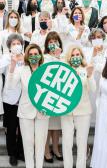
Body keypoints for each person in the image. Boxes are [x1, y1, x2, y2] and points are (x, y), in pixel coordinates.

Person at [7, 44, 48, 168]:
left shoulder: (47, 70)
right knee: (28, 143)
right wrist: (12, 66)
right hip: (25, 112)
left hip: (43, 112)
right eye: (31, 54)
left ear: (40, 55)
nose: (34, 56)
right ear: (27, 56)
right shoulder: (22, 70)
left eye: (36, 54)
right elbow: (10, 86)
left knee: (40, 144)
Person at [61, 45, 96, 168]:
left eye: (77, 55)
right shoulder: (64, 70)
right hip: (66, 111)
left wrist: (90, 75)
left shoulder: (86, 69)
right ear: (69, 57)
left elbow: (93, 89)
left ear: (81, 56)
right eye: (73, 55)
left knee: (82, 142)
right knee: (67, 142)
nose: (76, 57)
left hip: (83, 111)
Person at [0, 34, 25, 166]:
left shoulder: (26, 57)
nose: (17, 46)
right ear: (9, 46)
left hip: (24, 98)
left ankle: (21, 152)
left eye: (19, 44)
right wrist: (10, 59)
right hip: (10, 99)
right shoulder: (6, 57)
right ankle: (12, 153)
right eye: (14, 44)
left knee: (23, 128)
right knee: (11, 128)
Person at [42, 32, 64, 163]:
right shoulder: (44, 57)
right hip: (47, 95)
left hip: (59, 95)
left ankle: (56, 149)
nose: (53, 44)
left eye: (55, 41)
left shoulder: (63, 57)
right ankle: (46, 151)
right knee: (47, 126)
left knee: (56, 126)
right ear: (46, 44)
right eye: (50, 42)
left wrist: (59, 57)